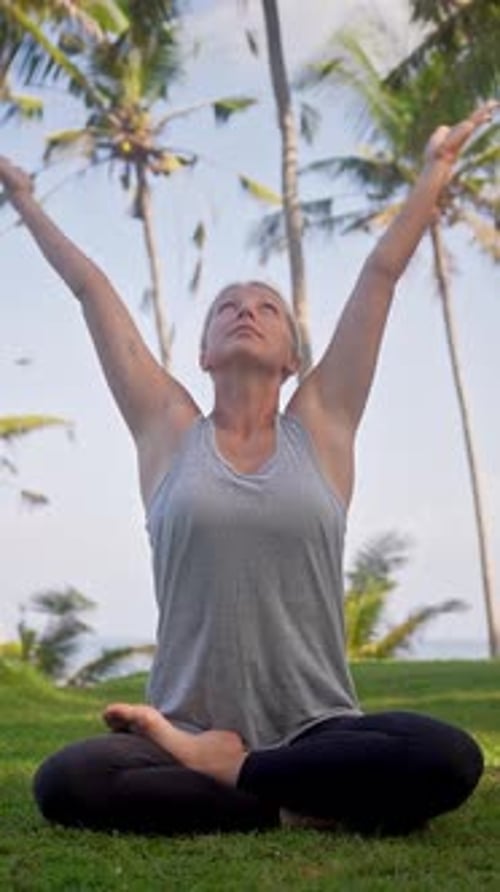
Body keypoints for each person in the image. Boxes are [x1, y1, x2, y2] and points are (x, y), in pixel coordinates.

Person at [1, 102, 494, 838]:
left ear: (294, 358)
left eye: (266, 306)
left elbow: (381, 276)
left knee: (449, 758)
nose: (245, 310)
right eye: (227, 306)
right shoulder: (167, 432)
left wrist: (433, 176)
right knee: (68, 781)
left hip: (316, 730)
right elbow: (94, 291)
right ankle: (288, 796)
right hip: (182, 725)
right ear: (201, 353)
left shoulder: (322, 427)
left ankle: (238, 779)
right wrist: (25, 200)